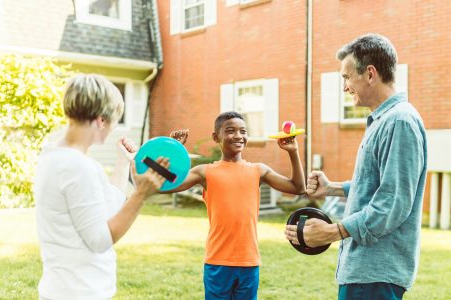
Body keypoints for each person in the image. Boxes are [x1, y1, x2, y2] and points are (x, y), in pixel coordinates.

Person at [284, 33, 427, 300]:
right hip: (366, 273)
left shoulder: (399, 122)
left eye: (347, 77)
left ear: (370, 74)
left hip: (375, 275)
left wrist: (332, 231)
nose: (345, 87)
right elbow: (378, 185)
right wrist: (332, 188)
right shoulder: (384, 120)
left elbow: (392, 203)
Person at [34, 74, 169, 300]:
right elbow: (100, 240)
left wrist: (123, 161)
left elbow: (106, 209)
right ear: (101, 120)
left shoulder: (53, 157)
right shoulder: (77, 167)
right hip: (79, 293)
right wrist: (140, 195)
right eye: (115, 121)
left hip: (63, 290)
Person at [167, 111, 306, 299]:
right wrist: (174, 150)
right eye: (231, 131)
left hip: (249, 261)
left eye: (243, 131)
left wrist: (293, 152)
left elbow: (298, 188)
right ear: (216, 137)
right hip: (218, 261)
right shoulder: (205, 172)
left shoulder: (259, 170)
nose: (238, 136)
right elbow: (166, 186)